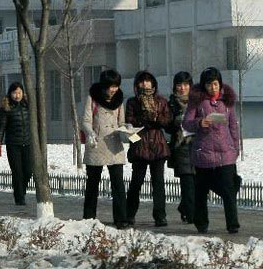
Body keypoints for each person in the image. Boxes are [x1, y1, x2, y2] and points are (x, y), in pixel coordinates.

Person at [182, 67, 241, 235]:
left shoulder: (227, 101)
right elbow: (186, 123)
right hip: (204, 152)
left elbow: (233, 127)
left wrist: (235, 148)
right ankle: (201, 223)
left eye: (215, 84)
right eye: (209, 84)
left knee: (229, 190)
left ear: (220, 84)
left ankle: (233, 224)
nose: (213, 88)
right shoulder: (197, 101)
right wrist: (199, 123)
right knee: (201, 190)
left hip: (225, 152)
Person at [82, 69, 128, 228]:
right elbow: (86, 121)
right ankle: (88, 218)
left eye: (116, 86)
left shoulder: (120, 99)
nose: (113, 89)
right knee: (92, 183)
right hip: (97, 144)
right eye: (110, 86)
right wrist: (90, 132)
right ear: (103, 86)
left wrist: (127, 131)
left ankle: (121, 219)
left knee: (118, 183)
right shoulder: (93, 97)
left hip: (114, 145)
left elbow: (121, 122)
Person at [125, 71, 172, 227]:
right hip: (140, 146)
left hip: (158, 146)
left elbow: (166, 120)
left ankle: (160, 216)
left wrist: (156, 119)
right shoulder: (132, 102)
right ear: (137, 84)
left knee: (158, 183)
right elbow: (130, 121)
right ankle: (129, 214)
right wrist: (144, 119)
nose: (145, 84)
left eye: (148, 81)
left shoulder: (161, 101)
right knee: (136, 182)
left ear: (153, 83)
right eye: (142, 82)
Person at [0, 82, 32, 206]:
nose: (17, 95)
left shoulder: (28, 105)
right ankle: (19, 197)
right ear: (10, 94)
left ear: (23, 93)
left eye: (19, 92)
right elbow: (1, 128)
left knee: (28, 171)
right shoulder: (6, 108)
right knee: (17, 172)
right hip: (13, 145)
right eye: (14, 93)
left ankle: (21, 191)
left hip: (27, 143)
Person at [167, 71, 196, 224]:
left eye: (185, 84)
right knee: (187, 183)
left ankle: (185, 207)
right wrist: (178, 122)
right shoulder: (171, 103)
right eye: (179, 85)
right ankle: (191, 216)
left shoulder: (197, 102)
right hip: (181, 147)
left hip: (197, 146)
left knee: (197, 182)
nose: (182, 88)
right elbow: (167, 125)